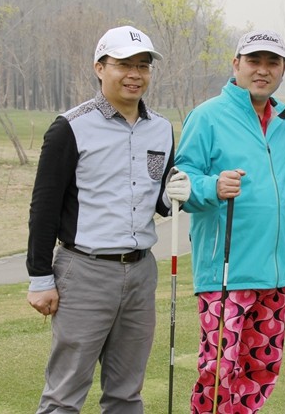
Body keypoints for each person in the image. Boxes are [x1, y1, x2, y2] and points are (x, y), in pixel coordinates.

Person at [26, 25, 191, 413]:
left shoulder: (160, 128)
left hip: (140, 273)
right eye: (124, 64)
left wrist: (177, 191)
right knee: (64, 394)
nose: (135, 74)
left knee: (126, 393)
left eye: (143, 66)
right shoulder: (70, 127)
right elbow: (44, 207)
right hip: (84, 271)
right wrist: (40, 277)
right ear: (100, 68)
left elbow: (160, 202)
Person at [174, 29, 285, 414]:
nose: (263, 70)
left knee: (261, 370)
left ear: (283, 68)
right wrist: (212, 185)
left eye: (272, 62)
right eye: (254, 61)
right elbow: (180, 181)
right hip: (225, 272)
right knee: (219, 370)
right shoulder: (207, 116)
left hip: (275, 274)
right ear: (236, 64)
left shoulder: (284, 121)